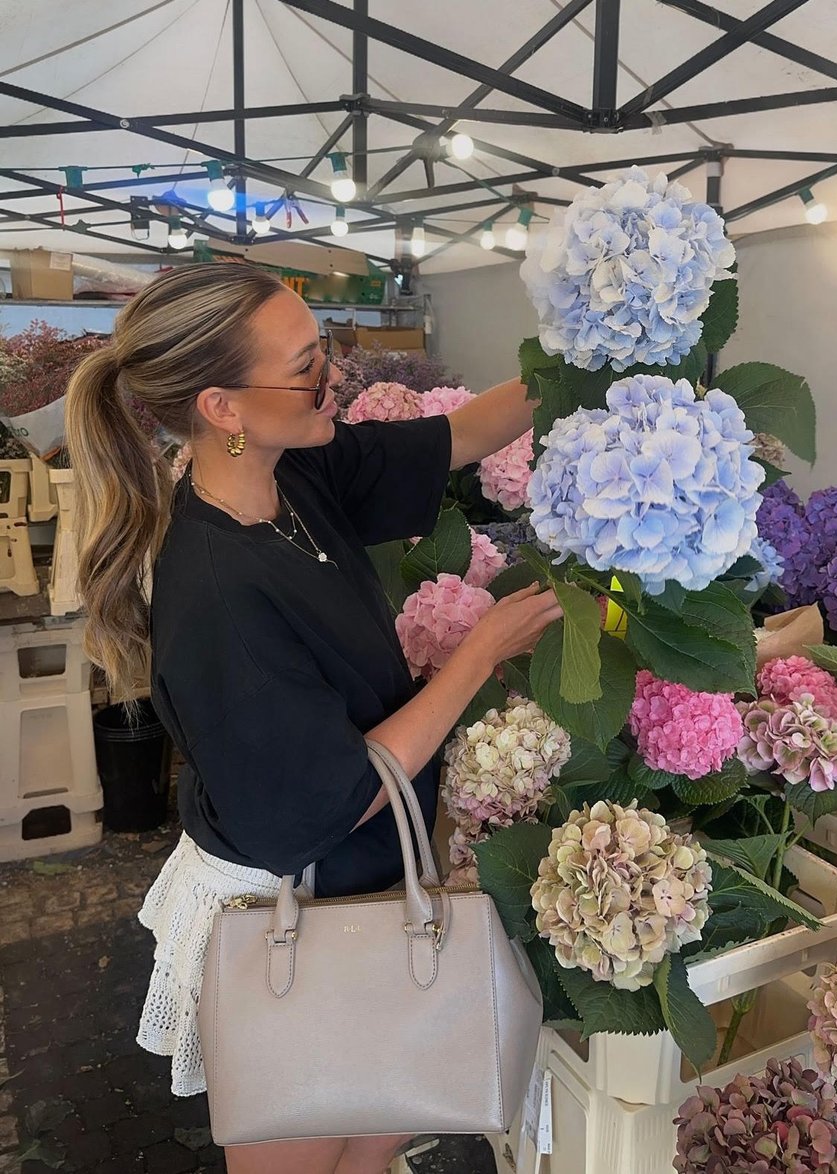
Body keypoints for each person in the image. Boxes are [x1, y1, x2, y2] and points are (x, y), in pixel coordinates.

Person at [65, 263, 562, 1174]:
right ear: (224, 409)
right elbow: (334, 796)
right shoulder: (218, 592)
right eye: (304, 366)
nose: (331, 376)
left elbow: (460, 434)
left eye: (323, 346)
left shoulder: (293, 475)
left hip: (360, 882)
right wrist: (479, 654)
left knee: (372, 1137)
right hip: (282, 909)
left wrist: (592, 349)